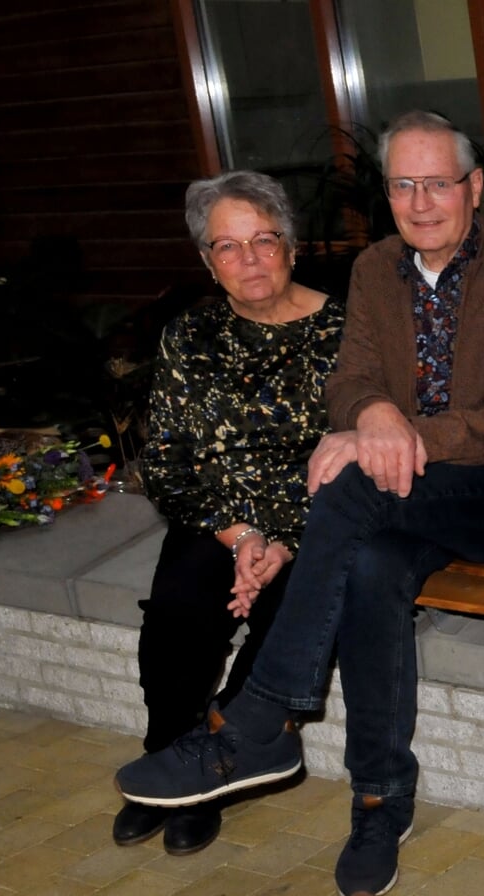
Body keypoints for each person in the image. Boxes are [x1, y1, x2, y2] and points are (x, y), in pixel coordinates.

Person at [116, 111, 484, 896]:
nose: (420, 202)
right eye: (402, 185)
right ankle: (380, 801)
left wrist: (398, 434)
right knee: (372, 563)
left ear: (475, 187)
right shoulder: (377, 268)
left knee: (351, 485)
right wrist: (373, 416)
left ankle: (261, 718)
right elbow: (350, 381)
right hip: (407, 496)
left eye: (438, 183)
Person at [116, 171, 343, 856]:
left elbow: (364, 452)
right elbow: (162, 458)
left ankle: (221, 759)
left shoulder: (345, 330)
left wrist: (282, 542)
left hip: (314, 524)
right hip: (216, 518)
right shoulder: (191, 334)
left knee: (285, 614)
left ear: (293, 247)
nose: (249, 259)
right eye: (228, 246)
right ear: (208, 263)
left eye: (263, 240)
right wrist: (240, 534)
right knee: (181, 607)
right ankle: (171, 756)